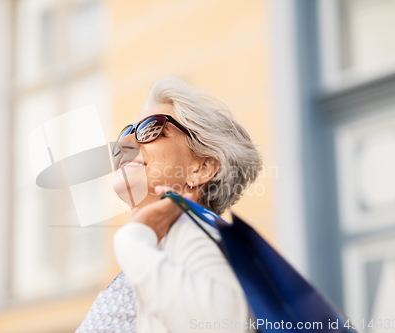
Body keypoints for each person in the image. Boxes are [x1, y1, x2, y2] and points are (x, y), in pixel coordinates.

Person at [75, 76, 262, 333]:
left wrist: (131, 241)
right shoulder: (165, 245)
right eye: (128, 131)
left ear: (202, 168)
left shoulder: (196, 233)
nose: (124, 144)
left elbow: (227, 324)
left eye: (151, 128)